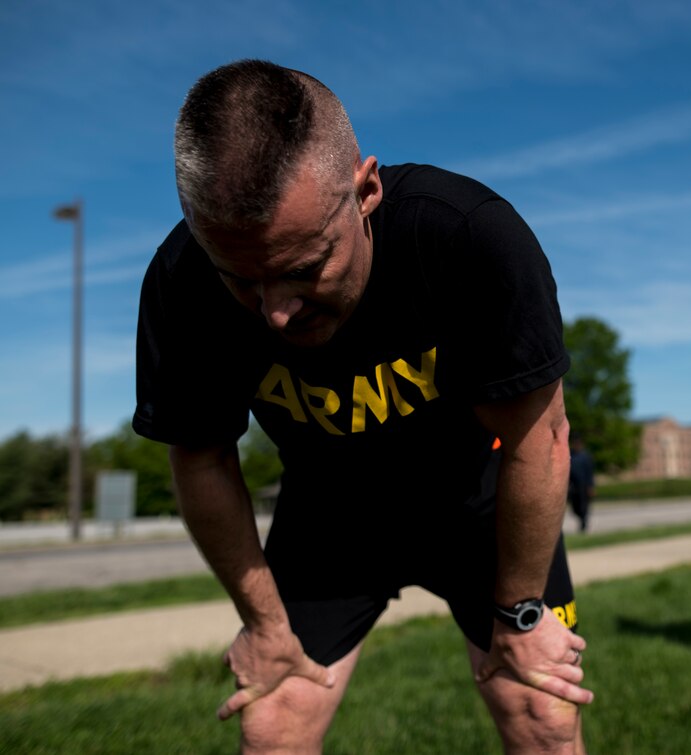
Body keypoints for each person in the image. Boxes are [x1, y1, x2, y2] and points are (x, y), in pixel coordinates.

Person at [133, 59, 592, 753]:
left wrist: (524, 612)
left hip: (478, 503)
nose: (277, 314)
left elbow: (541, 437)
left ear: (366, 190)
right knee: (274, 718)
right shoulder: (180, 284)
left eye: (304, 267)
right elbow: (200, 457)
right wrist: (262, 623)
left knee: (540, 710)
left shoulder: (467, 236)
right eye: (242, 280)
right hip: (330, 516)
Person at [567, 433, 595, 532]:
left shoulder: (586, 456)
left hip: (583, 485)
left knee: (583, 506)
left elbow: (590, 472)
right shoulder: (570, 455)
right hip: (573, 485)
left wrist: (590, 486)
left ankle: (583, 523)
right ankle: (581, 518)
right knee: (574, 507)